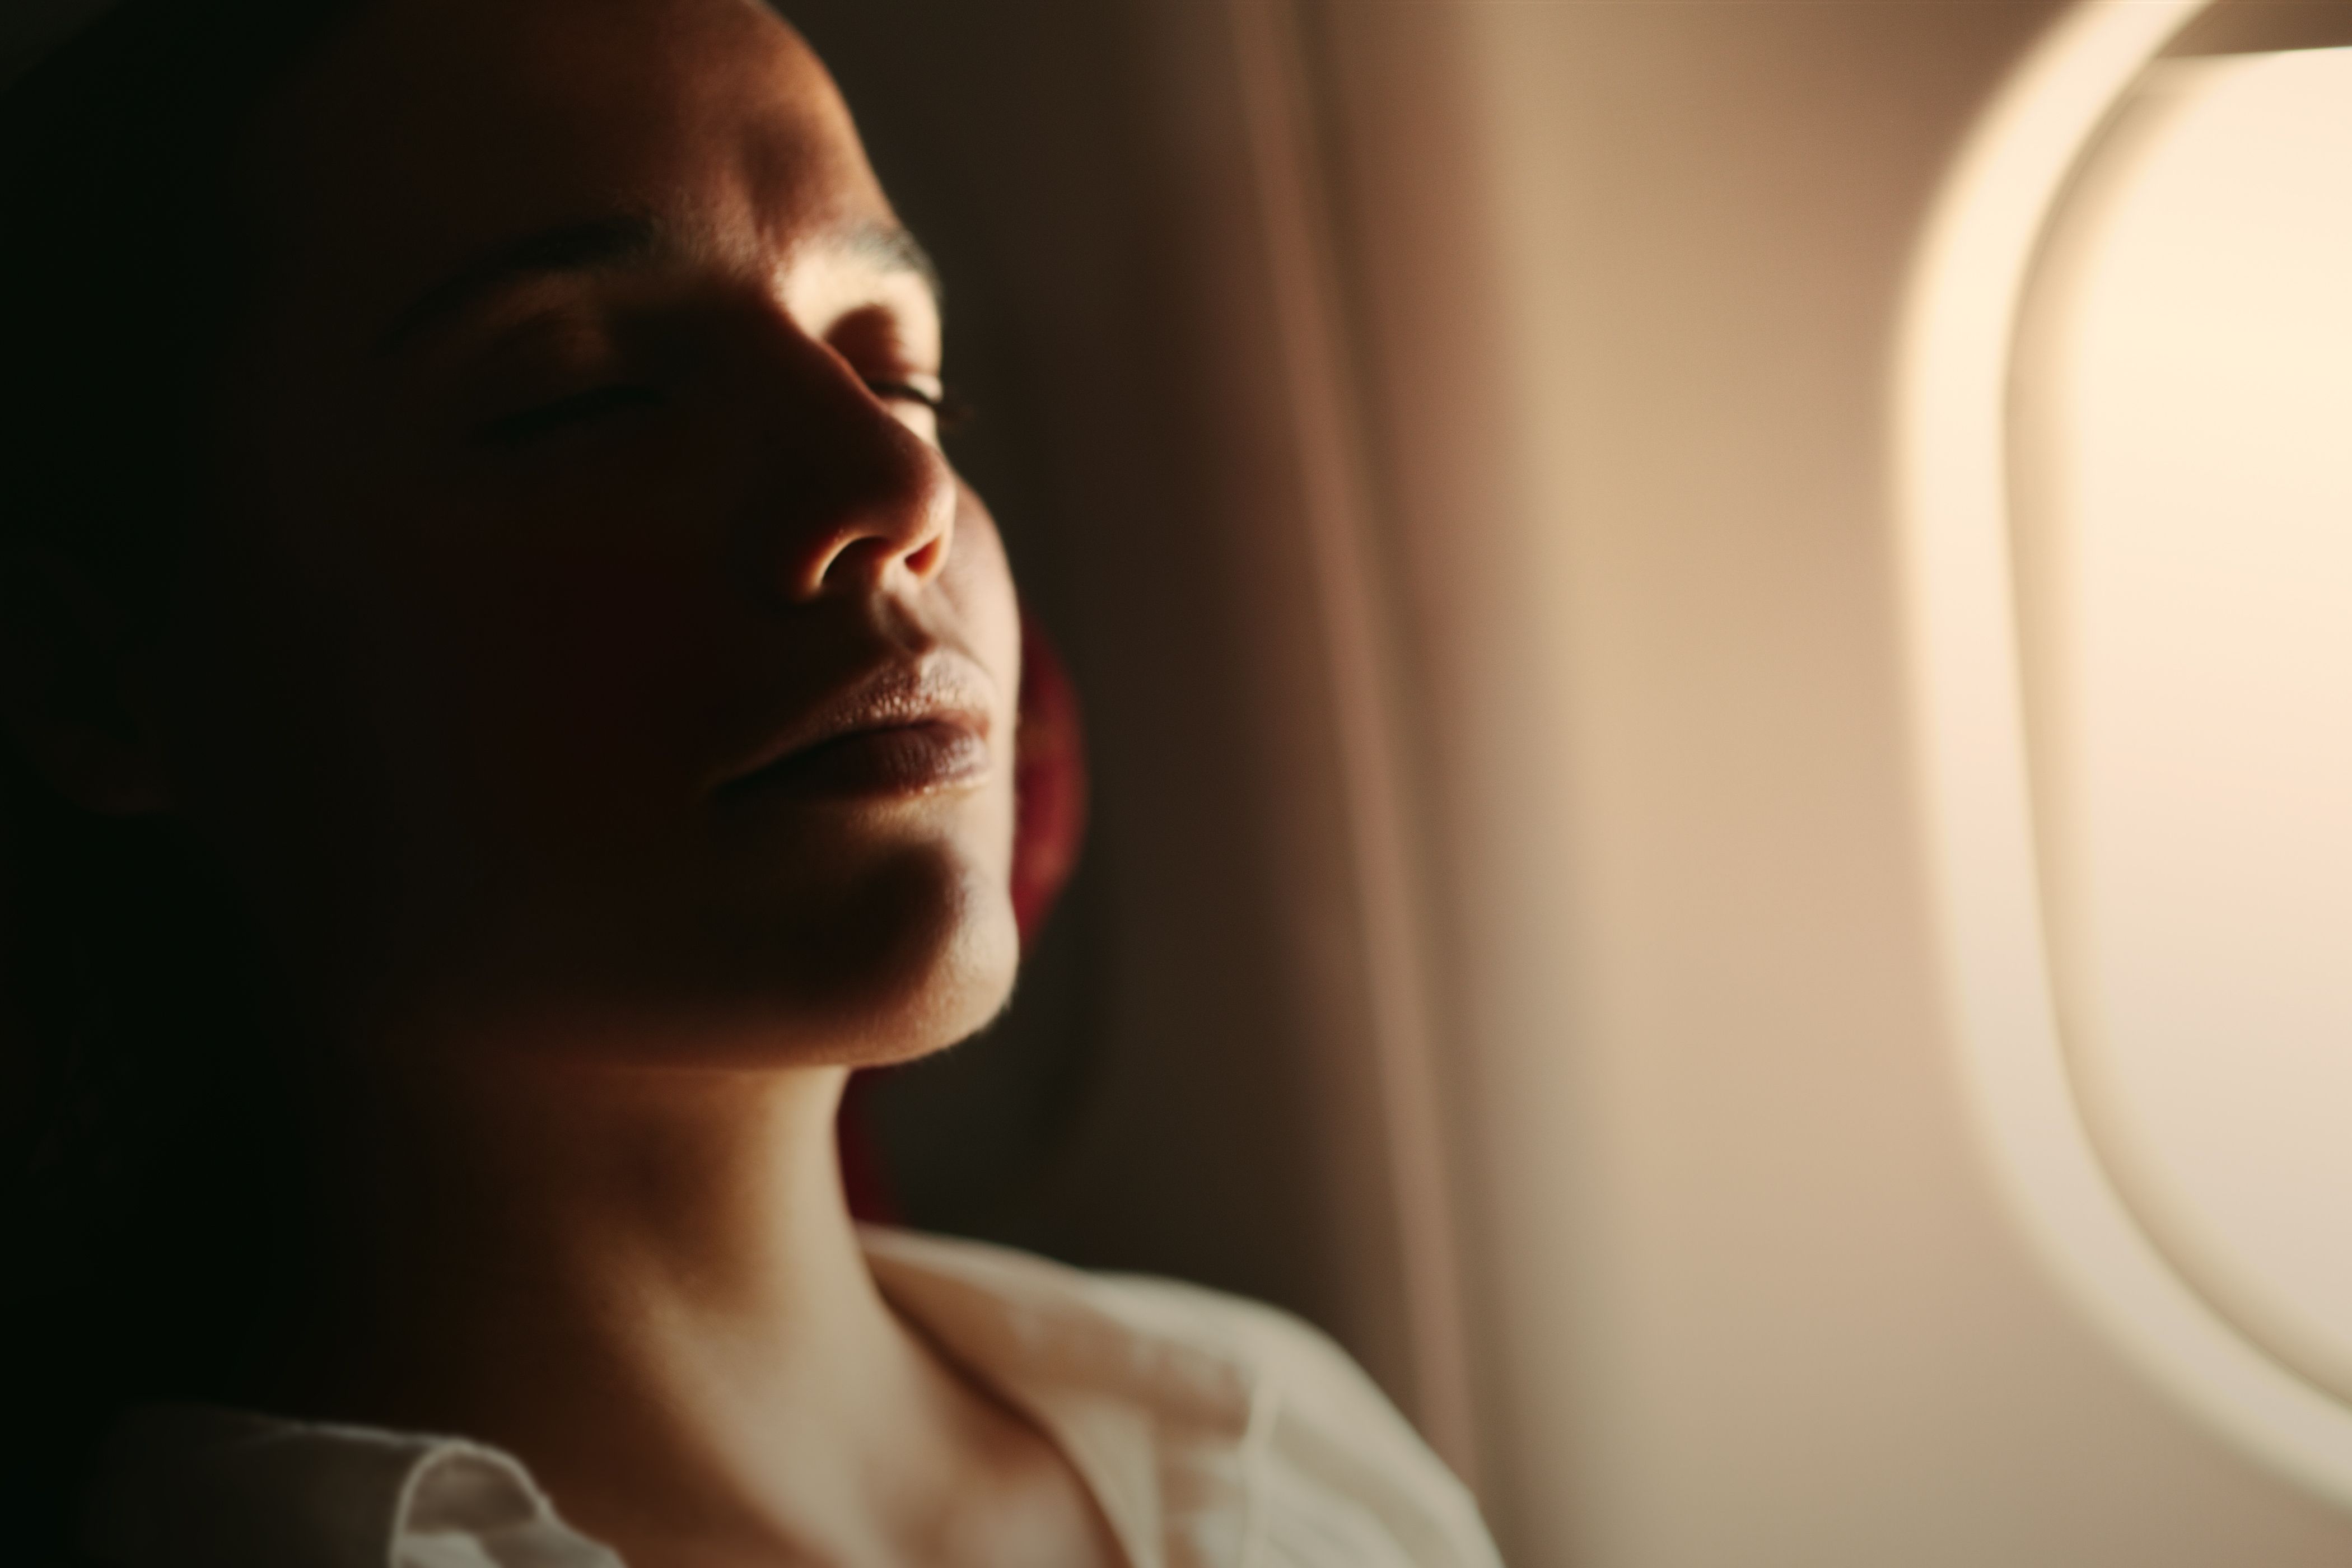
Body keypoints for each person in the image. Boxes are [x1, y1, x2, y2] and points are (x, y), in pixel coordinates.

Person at [0, 0, 1504, 1563]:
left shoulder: (1277, 1444)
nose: (896, 483)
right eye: (582, 398)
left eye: (899, 373)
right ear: (94, 685)